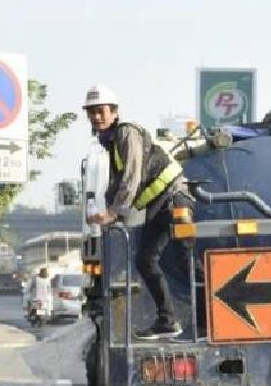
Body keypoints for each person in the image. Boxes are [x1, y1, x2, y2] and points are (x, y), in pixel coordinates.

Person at [82, 84, 193, 340]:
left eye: (101, 111)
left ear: (114, 112)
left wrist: (113, 212)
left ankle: (206, 313)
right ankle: (168, 320)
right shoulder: (109, 143)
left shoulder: (126, 133)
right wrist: (112, 213)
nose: (96, 117)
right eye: (91, 112)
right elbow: (119, 183)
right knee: (147, 259)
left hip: (173, 201)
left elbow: (131, 177)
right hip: (160, 205)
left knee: (186, 264)